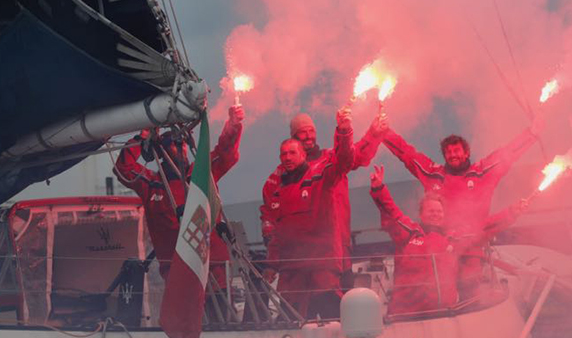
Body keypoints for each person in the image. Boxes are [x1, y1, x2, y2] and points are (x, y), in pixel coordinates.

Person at [380, 114, 543, 297]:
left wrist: (532, 134)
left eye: (456, 151)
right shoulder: (433, 174)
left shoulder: (482, 172)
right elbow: (407, 154)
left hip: (472, 247)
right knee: (438, 290)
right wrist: (384, 133)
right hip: (441, 248)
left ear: (466, 153)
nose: (452, 155)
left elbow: (507, 154)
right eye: (448, 152)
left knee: (469, 288)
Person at [114, 105, 244, 294]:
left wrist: (234, 124)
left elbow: (226, 153)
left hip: (213, 265)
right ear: (161, 153)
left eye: (182, 144)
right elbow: (123, 168)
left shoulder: (202, 172)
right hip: (178, 270)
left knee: (221, 313)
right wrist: (142, 136)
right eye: (175, 145)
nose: (181, 148)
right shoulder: (152, 184)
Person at [369, 165, 527, 315]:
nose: (435, 214)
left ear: (444, 215)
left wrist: (512, 212)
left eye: (439, 211)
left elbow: (483, 227)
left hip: (444, 315)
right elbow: (391, 213)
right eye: (431, 210)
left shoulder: (453, 239)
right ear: (421, 214)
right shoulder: (409, 233)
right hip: (404, 317)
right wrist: (378, 188)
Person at [260, 111, 387, 284]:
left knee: (339, 303)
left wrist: (373, 134)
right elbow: (270, 216)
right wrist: (272, 261)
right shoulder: (279, 177)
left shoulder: (331, 160)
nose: (308, 136)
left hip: (338, 247)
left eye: (311, 131)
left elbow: (354, 155)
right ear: (293, 136)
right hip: (299, 258)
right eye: (302, 132)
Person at [261, 106, 357, 318]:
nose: (287, 158)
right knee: (289, 319)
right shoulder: (278, 190)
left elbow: (344, 161)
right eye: (283, 154)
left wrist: (344, 131)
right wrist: (272, 264)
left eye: (292, 153)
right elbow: (278, 233)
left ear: (303, 155)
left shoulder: (320, 177)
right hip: (293, 270)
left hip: (322, 266)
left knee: (334, 317)